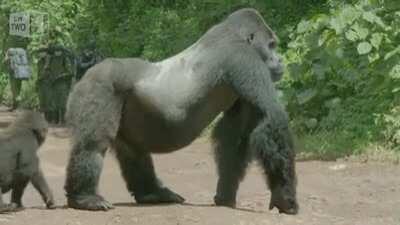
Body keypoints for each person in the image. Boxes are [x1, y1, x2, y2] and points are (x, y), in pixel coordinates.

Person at [36, 44, 74, 124]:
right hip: (53, 84)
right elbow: (47, 70)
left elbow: (70, 72)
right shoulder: (51, 59)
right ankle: (55, 120)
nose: (57, 52)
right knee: (54, 103)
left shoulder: (65, 59)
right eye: (56, 51)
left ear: (61, 51)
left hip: (62, 83)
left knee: (63, 102)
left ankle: (63, 120)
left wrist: (61, 76)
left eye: (59, 51)